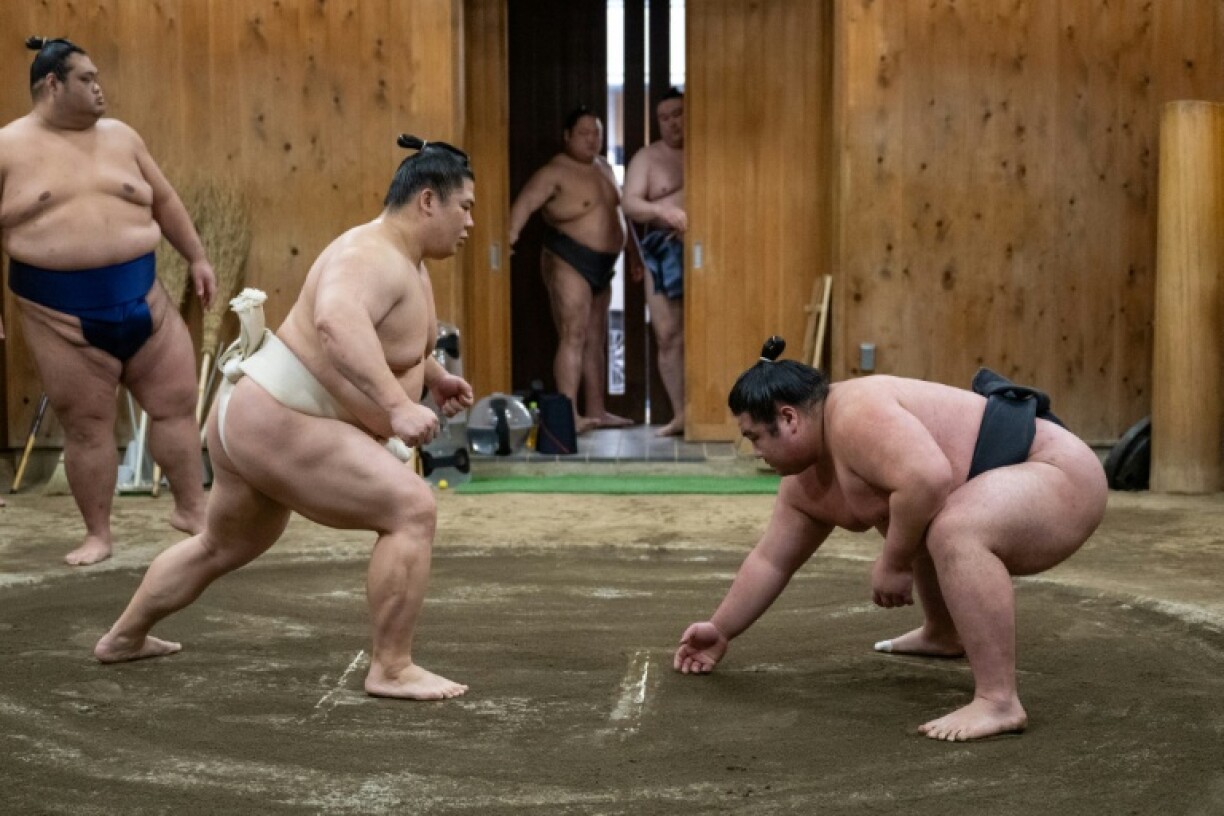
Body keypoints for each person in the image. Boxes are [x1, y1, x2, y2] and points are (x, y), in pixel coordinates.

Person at [93, 135, 476, 701]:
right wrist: (396, 407)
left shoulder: (407, 262)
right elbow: (335, 325)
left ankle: (123, 638)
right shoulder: (366, 255)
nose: (470, 222)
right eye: (464, 207)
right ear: (427, 201)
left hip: (259, 416)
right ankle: (391, 667)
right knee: (411, 509)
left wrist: (434, 378)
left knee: (220, 545)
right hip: (283, 414)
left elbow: (395, 343)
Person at [673, 338, 1108, 741]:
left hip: (1056, 473)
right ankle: (943, 633)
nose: (756, 452)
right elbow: (772, 560)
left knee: (951, 526)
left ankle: (998, 701)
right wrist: (722, 628)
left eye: (754, 438)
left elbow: (928, 479)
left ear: (788, 418)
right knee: (912, 516)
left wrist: (894, 563)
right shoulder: (806, 482)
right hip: (1007, 483)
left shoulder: (854, 411)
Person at [0, 37, 215, 566]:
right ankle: (98, 534)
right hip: (60, 314)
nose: (100, 89)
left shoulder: (122, 137)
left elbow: (163, 199)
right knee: (87, 426)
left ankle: (194, 510)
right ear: (52, 84)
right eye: (87, 80)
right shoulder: (7, 148)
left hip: (145, 297)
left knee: (175, 405)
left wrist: (197, 257)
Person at [508, 106, 635, 433]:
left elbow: (622, 216)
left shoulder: (605, 168)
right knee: (573, 335)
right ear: (567, 136)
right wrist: (508, 240)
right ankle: (569, 414)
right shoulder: (554, 172)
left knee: (596, 338)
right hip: (568, 259)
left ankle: (597, 410)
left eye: (597, 133)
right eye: (584, 134)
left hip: (605, 265)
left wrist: (635, 256)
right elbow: (523, 205)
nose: (592, 140)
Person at [623, 87, 686, 437]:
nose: (672, 123)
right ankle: (681, 414)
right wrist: (663, 210)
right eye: (664, 117)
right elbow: (630, 203)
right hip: (663, 249)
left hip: (711, 251)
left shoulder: (707, 148)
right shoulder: (648, 158)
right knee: (667, 335)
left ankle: (713, 416)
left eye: (678, 114)